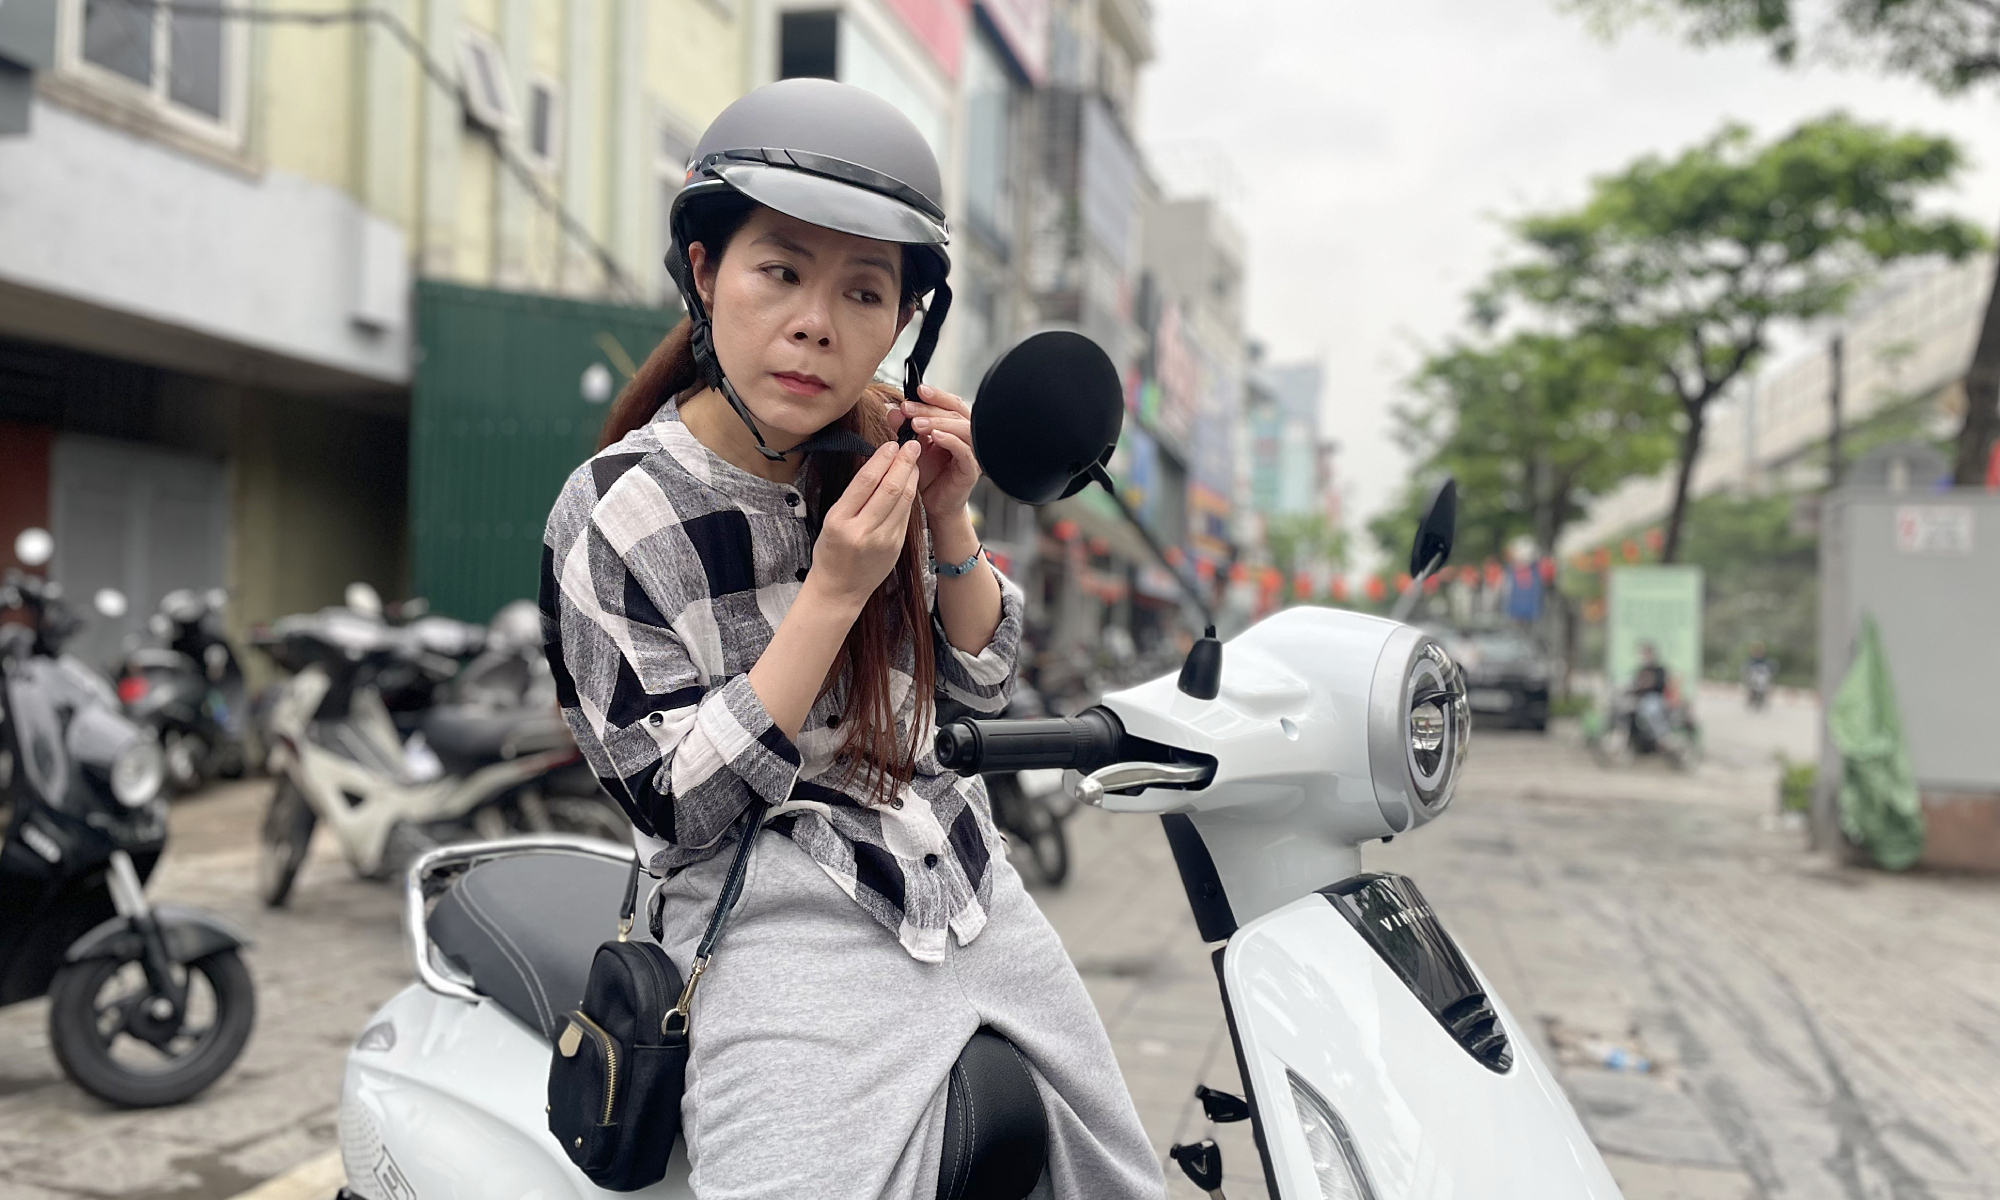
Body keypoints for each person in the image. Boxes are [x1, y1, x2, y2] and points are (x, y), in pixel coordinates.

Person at [540, 79, 1164, 1200]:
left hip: (965, 878)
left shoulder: (879, 458)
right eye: (780, 272)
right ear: (704, 273)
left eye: (864, 291)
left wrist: (951, 520)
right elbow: (676, 806)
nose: (816, 323)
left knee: (1123, 1180)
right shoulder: (617, 512)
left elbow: (980, 685)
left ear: (902, 321)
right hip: (771, 916)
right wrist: (831, 593)